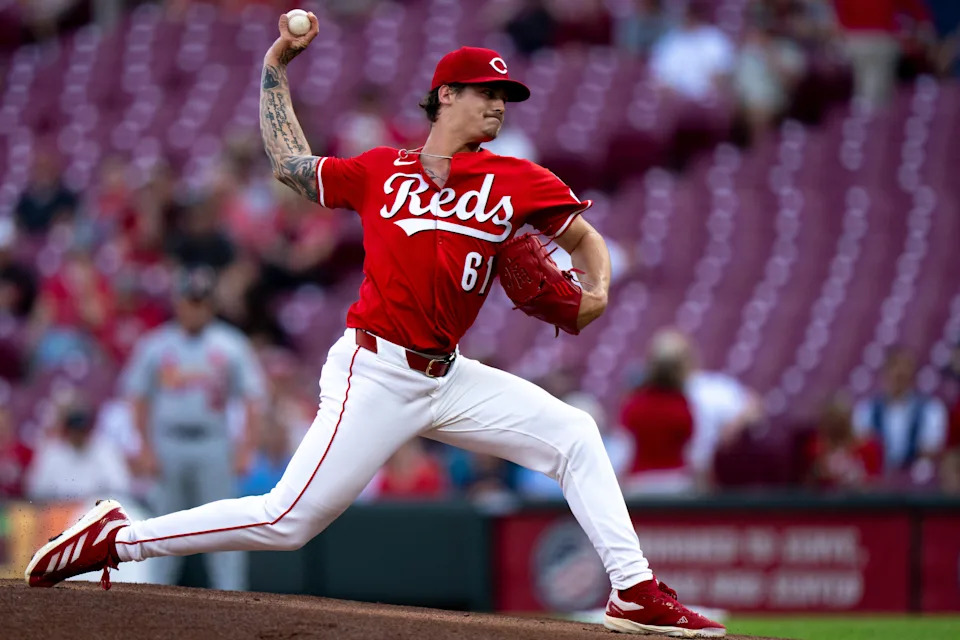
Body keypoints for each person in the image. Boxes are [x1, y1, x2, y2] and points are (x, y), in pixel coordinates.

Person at [24, 14, 725, 638]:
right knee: (285, 520)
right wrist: (274, 70)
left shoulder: (519, 180)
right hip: (375, 369)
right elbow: (289, 165)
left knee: (575, 434)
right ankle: (121, 540)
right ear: (445, 95)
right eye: (485, 92)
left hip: (447, 374)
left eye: (505, 97)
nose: (497, 106)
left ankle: (634, 592)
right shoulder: (380, 170)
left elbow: (584, 241)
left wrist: (596, 289)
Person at [118, 266, 267, 590]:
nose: (194, 308)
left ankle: (231, 596)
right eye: (189, 301)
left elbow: (253, 399)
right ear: (178, 303)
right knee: (162, 526)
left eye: (201, 302)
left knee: (224, 525)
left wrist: (246, 449)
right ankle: (156, 596)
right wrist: (144, 447)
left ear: (210, 305)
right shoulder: (156, 345)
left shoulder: (230, 344)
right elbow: (138, 399)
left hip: (212, 443)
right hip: (167, 442)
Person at [853, 346, 947, 484]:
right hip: (877, 481)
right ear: (885, 373)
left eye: (903, 372)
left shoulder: (931, 409)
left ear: (912, 375)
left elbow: (930, 449)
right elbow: (862, 445)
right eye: (894, 370)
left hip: (917, 479)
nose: (899, 375)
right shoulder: (866, 410)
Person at [620, 332, 696, 495]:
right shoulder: (683, 405)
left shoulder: (633, 403)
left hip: (642, 483)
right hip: (674, 483)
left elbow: (625, 449)